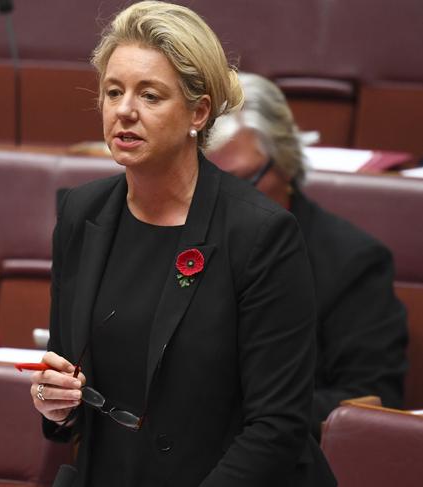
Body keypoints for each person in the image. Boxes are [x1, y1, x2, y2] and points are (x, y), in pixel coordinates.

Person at [29, 2, 336, 485]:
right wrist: (55, 403)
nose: (124, 110)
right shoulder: (80, 213)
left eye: (150, 96)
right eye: (113, 92)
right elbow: (67, 379)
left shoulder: (259, 234)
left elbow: (277, 426)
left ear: (198, 111)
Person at [208, 72, 408, 438]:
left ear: (285, 163)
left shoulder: (352, 263)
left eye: (242, 181)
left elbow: (371, 402)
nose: (223, 201)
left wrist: (234, 411)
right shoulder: (170, 238)